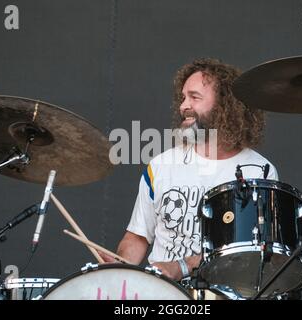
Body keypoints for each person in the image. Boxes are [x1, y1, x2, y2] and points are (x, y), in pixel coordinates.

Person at [99, 58, 278, 282]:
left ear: (225, 105)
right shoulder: (161, 166)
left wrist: (183, 266)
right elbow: (138, 237)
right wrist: (121, 262)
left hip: (221, 292)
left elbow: (250, 253)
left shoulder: (260, 171)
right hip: (161, 293)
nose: (184, 106)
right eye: (183, 98)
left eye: (194, 97)